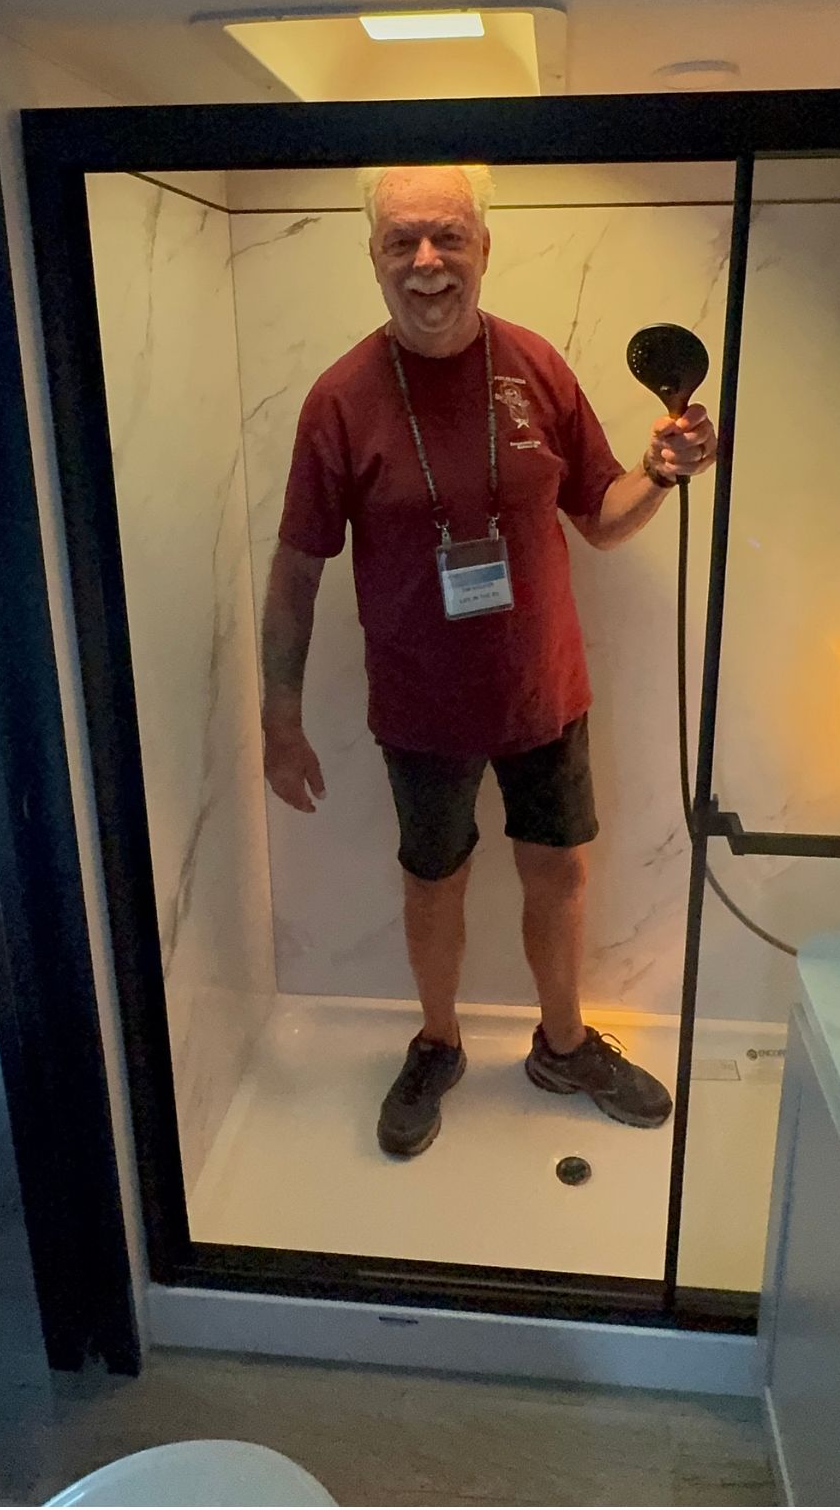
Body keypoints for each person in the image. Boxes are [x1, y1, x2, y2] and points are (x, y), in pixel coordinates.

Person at [262, 165, 718, 1158]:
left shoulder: (536, 368)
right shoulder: (339, 400)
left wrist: (661, 471)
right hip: (421, 708)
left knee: (559, 872)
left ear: (483, 249)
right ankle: (437, 1041)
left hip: (544, 690)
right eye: (402, 242)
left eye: (448, 238)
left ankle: (562, 1045)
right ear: (375, 258)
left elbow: (599, 518)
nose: (427, 262)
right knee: (435, 880)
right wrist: (278, 715)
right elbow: (298, 568)